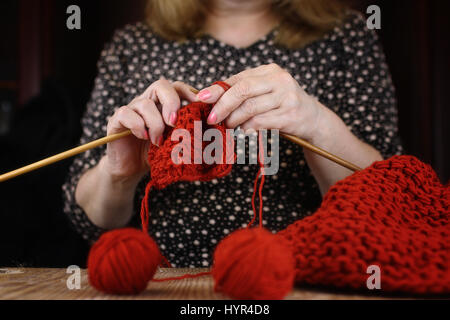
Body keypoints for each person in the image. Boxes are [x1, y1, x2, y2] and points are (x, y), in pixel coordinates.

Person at [63, 0, 403, 268]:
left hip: (302, 279)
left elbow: (389, 203)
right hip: (155, 284)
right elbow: (88, 221)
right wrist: (118, 173)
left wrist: (317, 123)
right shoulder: (132, 45)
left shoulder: (346, 37)